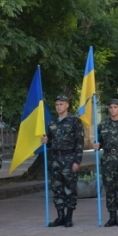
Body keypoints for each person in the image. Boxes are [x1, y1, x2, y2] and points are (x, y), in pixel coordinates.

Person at [41, 95, 83, 228]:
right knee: (57, 188)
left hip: (69, 158)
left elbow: (79, 142)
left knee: (70, 188)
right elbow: (50, 143)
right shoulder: (52, 123)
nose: (59, 107)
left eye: (61, 104)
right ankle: (60, 216)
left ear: (67, 105)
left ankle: (69, 217)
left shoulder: (74, 121)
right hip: (55, 159)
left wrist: (77, 161)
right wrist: (46, 142)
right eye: (57, 104)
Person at [92, 98, 118, 227]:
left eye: (115, 107)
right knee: (109, 188)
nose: (113, 110)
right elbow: (99, 142)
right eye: (110, 107)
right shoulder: (103, 125)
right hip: (108, 159)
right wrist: (97, 145)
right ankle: (112, 217)